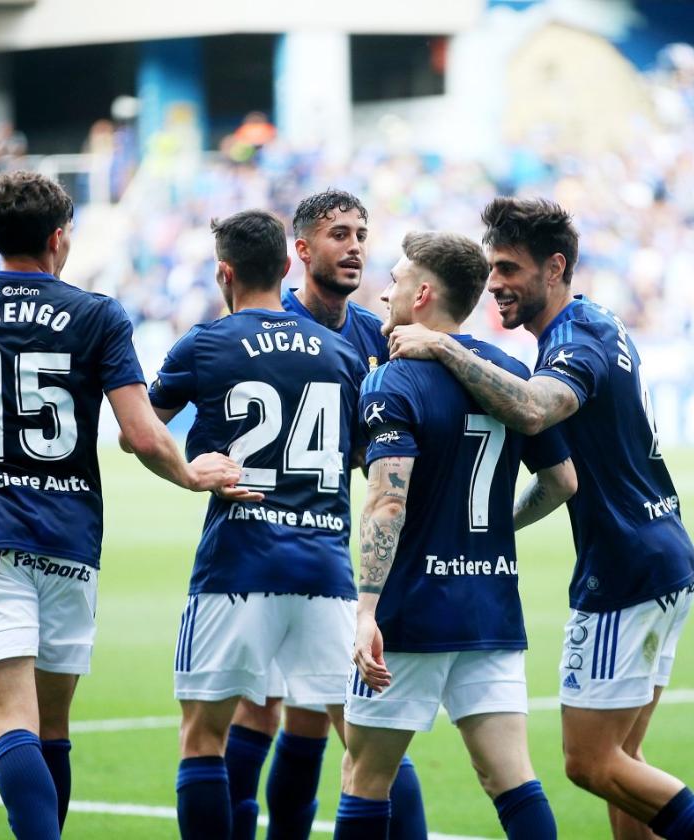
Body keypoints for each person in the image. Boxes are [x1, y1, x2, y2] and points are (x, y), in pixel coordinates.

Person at [0, 170, 245, 839]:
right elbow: (141, 433)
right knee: (54, 728)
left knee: (12, 724)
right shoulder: (97, 314)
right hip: (71, 542)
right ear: (59, 238)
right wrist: (190, 476)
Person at [389, 198, 694, 840]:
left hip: (625, 570)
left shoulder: (575, 341)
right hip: (664, 554)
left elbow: (530, 409)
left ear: (554, 268)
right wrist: (501, 524)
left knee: (590, 763)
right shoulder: (594, 322)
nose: (495, 283)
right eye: (491, 268)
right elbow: (563, 478)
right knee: (623, 766)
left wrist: (442, 346)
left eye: (508, 268)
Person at [335, 231, 574, 840]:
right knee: (512, 780)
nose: (382, 291)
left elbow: (387, 502)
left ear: (421, 293)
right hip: (489, 609)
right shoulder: (512, 374)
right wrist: (495, 530)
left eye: (393, 281)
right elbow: (562, 482)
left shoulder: (394, 381)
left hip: (412, 613)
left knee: (365, 778)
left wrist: (366, 611)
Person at [143, 209, 364, 840]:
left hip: (238, 566)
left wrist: (190, 471)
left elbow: (141, 432)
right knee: (368, 746)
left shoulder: (205, 344)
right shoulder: (342, 353)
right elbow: (360, 455)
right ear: (289, 266)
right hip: (327, 568)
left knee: (202, 739)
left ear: (224, 273)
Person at [224, 189, 427, 839]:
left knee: (323, 719)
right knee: (265, 711)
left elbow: (383, 446)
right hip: (257, 553)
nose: (356, 246)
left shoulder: (375, 336)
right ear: (302, 250)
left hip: (328, 553)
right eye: (340, 234)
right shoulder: (267, 326)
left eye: (362, 233)